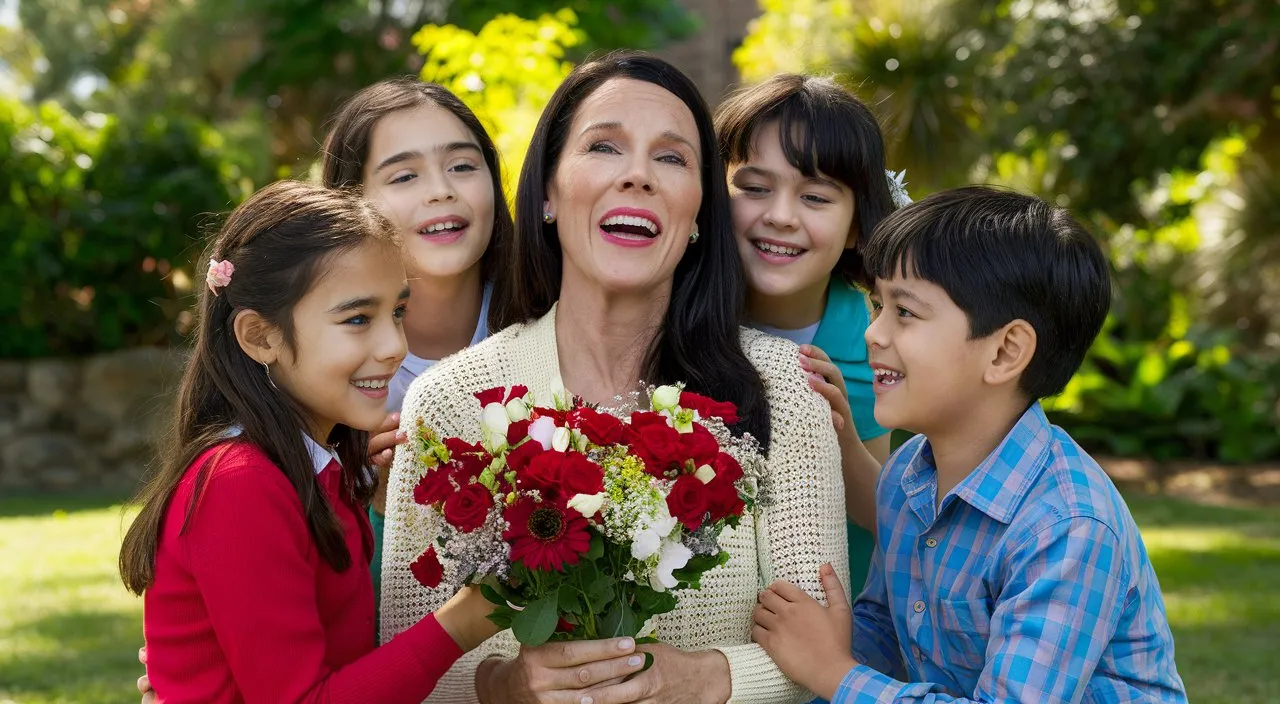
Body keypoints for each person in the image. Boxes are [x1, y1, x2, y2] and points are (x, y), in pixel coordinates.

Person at [380, 52, 849, 703]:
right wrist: (502, 688)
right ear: (547, 190)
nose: (638, 176)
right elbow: (402, 670)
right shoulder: (449, 403)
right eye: (604, 146)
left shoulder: (782, 389)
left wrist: (711, 677)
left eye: (672, 157)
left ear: (698, 216)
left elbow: (822, 651)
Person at [750, 186, 1188, 703]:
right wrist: (824, 643)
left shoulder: (1066, 528)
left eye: (905, 312)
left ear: (1005, 352)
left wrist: (835, 673)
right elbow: (889, 629)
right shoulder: (909, 474)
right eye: (878, 305)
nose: (874, 333)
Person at [118, 181, 504, 703]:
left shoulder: (316, 469)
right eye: (357, 319)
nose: (394, 346)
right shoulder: (240, 483)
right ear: (260, 336)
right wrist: (458, 626)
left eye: (396, 312)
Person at [321, 76, 514, 604]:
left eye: (462, 166)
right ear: (350, 203)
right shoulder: (319, 368)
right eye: (404, 175)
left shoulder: (554, 326)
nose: (440, 190)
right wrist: (378, 502)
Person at [716, 74, 900, 589]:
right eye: (753, 189)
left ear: (857, 226)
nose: (780, 216)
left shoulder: (870, 336)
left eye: (815, 198)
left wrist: (841, 438)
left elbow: (879, 517)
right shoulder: (680, 312)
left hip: (835, 613)